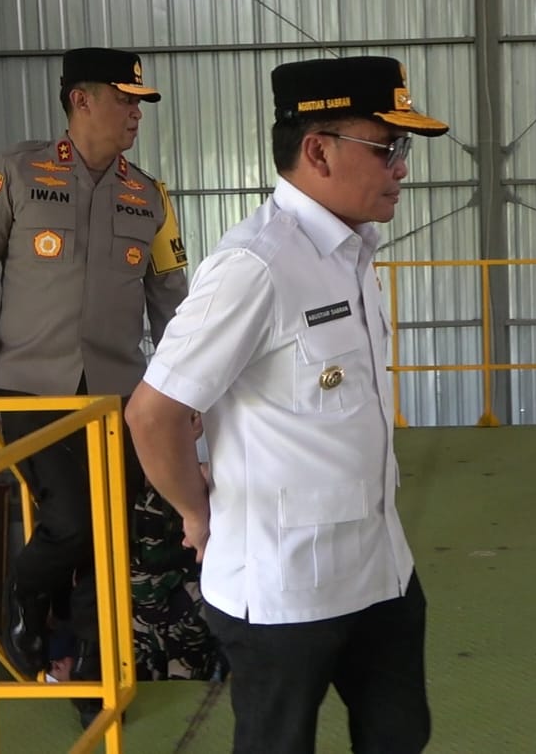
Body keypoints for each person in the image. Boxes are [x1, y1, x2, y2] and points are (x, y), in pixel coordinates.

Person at [125, 55, 447, 754]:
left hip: (379, 569)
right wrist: (196, 513)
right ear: (318, 151)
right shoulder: (257, 265)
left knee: (399, 734)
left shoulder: (350, 253)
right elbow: (154, 413)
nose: (401, 168)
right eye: (387, 147)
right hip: (285, 588)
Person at [0, 47, 215, 688]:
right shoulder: (14, 173)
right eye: (125, 100)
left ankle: (96, 672)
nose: (136, 114)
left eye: (139, 104)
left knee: (109, 535)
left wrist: (184, 394)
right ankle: (24, 594)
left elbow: (171, 304)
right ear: (80, 100)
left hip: (120, 396)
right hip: (29, 389)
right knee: (72, 522)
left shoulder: (149, 195)